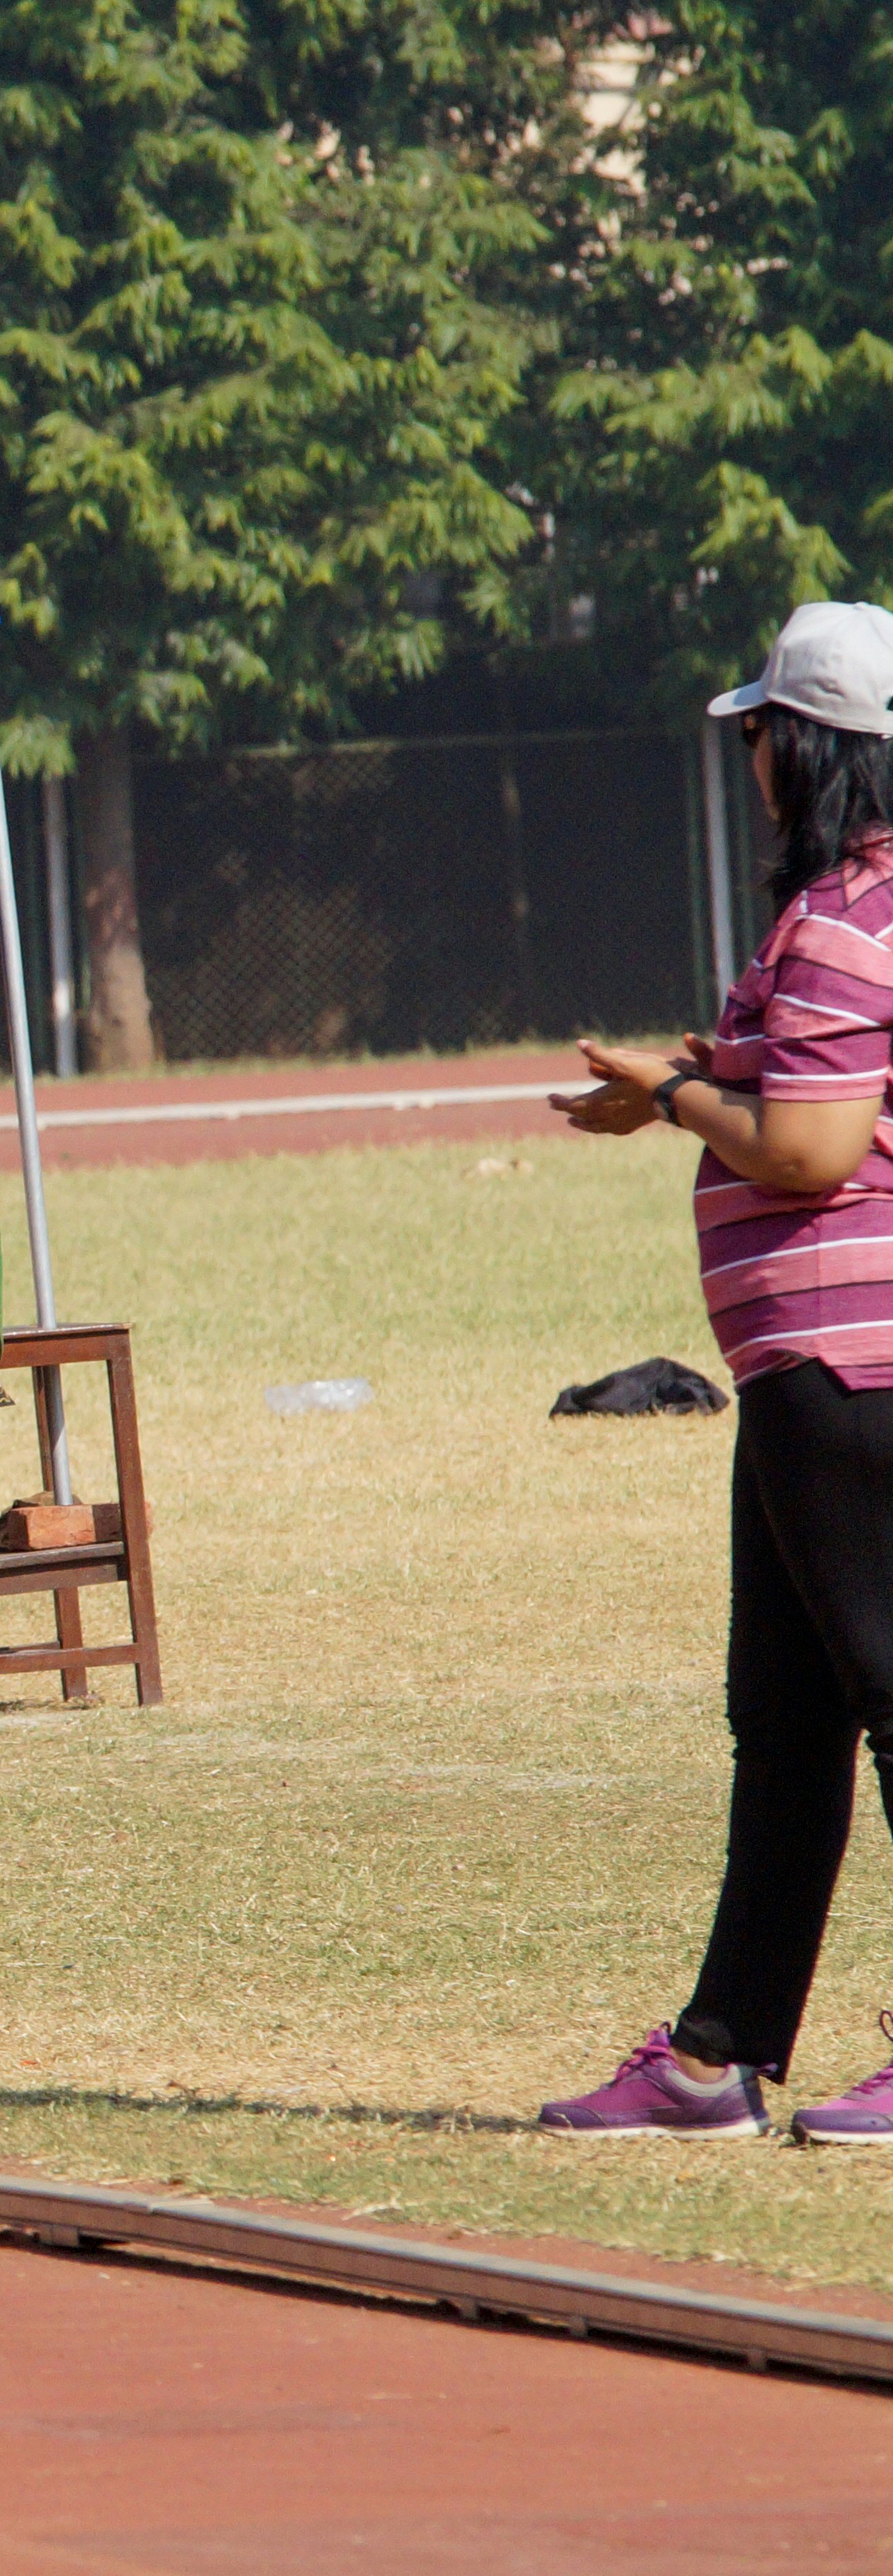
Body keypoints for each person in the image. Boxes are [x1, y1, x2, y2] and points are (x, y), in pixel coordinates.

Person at [541, 599, 893, 2142]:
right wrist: (674, 1079)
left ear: (801, 748)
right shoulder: (842, 911)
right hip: (798, 1376)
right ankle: (714, 2057)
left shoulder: (847, 919)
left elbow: (812, 1151)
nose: (747, 755)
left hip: (847, 1364)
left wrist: (681, 1096)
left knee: (882, 1700)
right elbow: (788, 1075)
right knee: (789, 1716)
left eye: (757, 732)